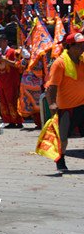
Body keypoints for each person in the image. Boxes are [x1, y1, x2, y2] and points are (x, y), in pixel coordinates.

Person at [45, 32, 84, 173]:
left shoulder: (83, 60)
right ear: (70, 46)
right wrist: (52, 104)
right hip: (67, 107)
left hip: (82, 105)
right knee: (63, 138)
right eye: (79, 45)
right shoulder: (60, 63)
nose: (82, 47)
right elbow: (51, 86)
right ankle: (60, 161)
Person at [0, 34, 23, 128]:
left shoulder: (12, 51)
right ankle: (10, 120)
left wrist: (5, 60)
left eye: (2, 41)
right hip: (2, 80)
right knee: (3, 101)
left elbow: (17, 64)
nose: (0, 43)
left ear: (6, 41)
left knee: (13, 100)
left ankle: (18, 121)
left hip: (11, 80)